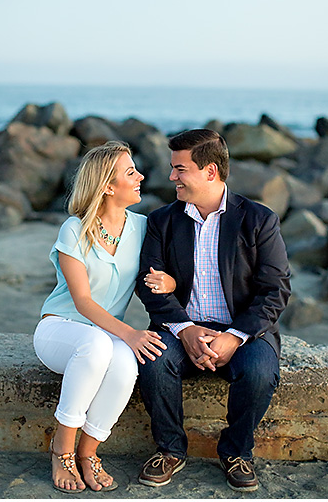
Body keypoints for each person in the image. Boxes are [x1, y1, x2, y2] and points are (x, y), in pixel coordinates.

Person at [133, 128, 291, 492]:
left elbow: (275, 290)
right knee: (154, 362)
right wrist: (185, 329)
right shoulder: (162, 221)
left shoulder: (259, 220)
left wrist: (233, 337)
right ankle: (170, 450)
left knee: (259, 372)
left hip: (243, 330)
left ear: (209, 172)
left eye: (180, 169)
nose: (172, 176)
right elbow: (149, 283)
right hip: (179, 327)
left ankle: (237, 452)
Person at [33, 140, 168, 493]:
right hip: (60, 329)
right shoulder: (74, 230)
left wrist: (168, 279)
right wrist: (132, 333)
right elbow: (82, 301)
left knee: (126, 365)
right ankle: (61, 448)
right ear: (108, 186)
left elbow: (166, 270)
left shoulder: (142, 228)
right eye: (129, 172)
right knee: (97, 346)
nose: (140, 176)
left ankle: (88, 453)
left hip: (106, 336)